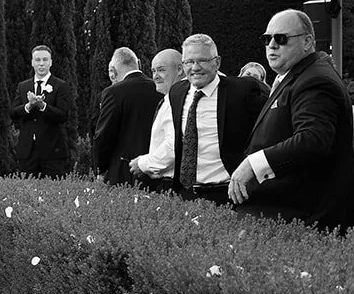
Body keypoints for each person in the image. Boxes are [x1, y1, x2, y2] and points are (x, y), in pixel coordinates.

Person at [227, 9, 354, 232]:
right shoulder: (297, 75)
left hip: (299, 218)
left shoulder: (315, 79)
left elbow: (312, 139)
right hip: (283, 213)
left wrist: (253, 164)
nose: (272, 45)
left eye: (281, 38)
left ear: (307, 42)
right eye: (267, 38)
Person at [141, 33, 265, 203]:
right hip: (185, 194)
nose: (195, 67)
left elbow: (266, 131)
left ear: (217, 62)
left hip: (229, 194)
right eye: (189, 62)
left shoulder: (242, 90)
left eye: (202, 61)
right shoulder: (177, 92)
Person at [92, 47, 161, 185]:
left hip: (123, 170)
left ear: (113, 68)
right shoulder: (158, 88)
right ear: (138, 63)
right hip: (156, 167)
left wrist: (100, 169)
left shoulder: (113, 92)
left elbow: (104, 134)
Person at [9, 44, 74, 177]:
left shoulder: (61, 85)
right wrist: (29, 106)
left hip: (52, 151)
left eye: (45, 60)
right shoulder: (23, 86)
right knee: (27, 188)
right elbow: (13, 113)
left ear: (51, 62)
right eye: (37, 60)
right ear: (32, 62)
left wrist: (43, 105)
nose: (41, 64)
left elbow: (63, 115)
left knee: (53, 188)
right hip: (27, 151)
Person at [129, 48, 184, 190]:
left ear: (179, 69)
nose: (155, 76)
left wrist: (142, 164)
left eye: (161, 70)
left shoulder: (177, 101)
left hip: (171, 184)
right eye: (153, 71)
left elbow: (173, 147)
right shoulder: (170, 98)